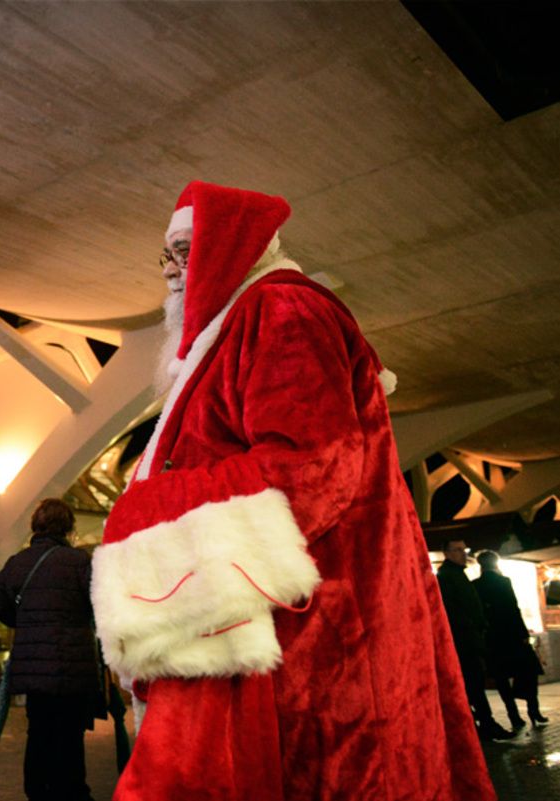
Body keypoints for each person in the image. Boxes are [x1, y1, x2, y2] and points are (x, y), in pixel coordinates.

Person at [92, 181, 495, 800]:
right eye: (166, 256)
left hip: (309, 638)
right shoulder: (239, 325)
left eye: (185, 250)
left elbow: (314, 466)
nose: (173, 270)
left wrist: (144, 512)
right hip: (275, 624)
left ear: (230, 246)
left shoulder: (282, 310)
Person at [0, 498, 99, 801]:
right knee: (70, 736)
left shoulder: (18, 562)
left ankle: (37, 792)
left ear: (35, 526)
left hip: (34, 671)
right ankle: (71, 792)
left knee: (39, 733)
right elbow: (99, 602)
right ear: (69, 528)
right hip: (72, 666)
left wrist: (23, 623)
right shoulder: (79, 562)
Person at [436, 540, 514, 739]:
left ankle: (482, 723)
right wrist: (471, 627)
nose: (463, 553)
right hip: (464, 641)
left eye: (464, 550)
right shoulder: (447, 577)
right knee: (473, 683)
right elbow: (454, 611)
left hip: (469, 638)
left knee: (475, 683)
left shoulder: (456, 575)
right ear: (447, 553)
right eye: (458, 550)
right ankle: (484, 723)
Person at [473, 549, 547, 728]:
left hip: (493, 638)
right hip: (512, 634)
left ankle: (513, 715)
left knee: (501, 678)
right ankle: (533, 709)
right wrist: (523, 634)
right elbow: (513, 609)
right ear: (495, 563)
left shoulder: (475, 585)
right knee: (528, 672)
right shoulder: (503, 582)